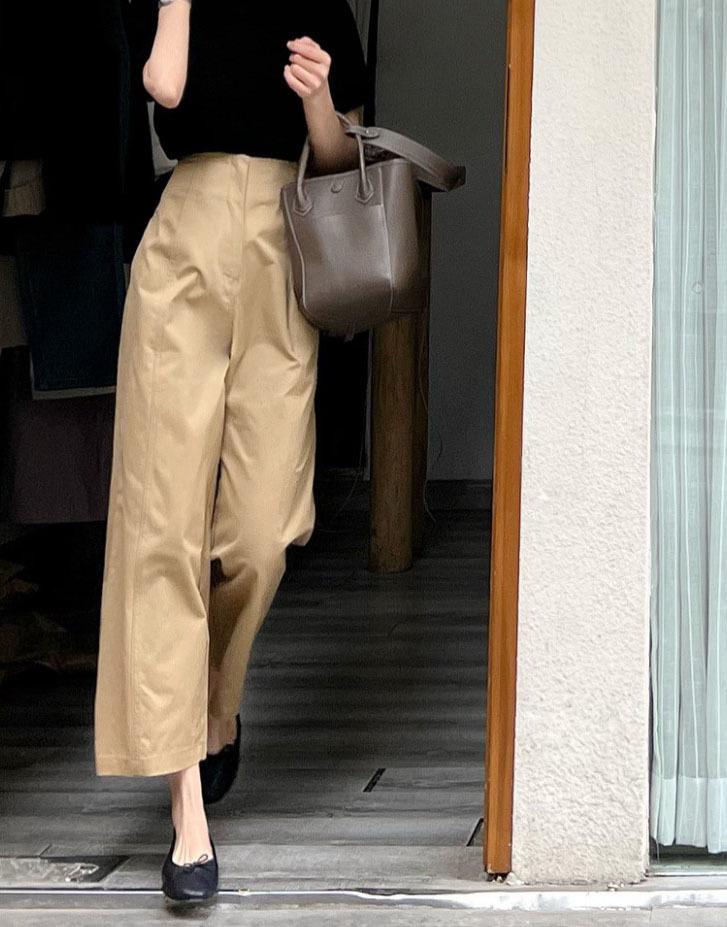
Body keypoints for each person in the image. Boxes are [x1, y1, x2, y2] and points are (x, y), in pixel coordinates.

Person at [92, 0, 367, 904]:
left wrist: (318, 100)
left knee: (264, 527)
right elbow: (164, 88)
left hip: (285, 244)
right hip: (185, 247)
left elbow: (342, 160)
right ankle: (187, 813)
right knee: (161, 526)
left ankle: (215, 698)